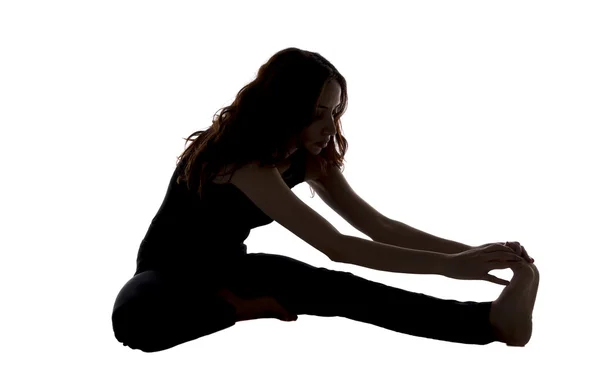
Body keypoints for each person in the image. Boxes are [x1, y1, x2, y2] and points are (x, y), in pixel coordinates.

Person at [111, 47, 539, 353]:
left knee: (345, 292)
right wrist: (448, 268)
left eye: (335, 112)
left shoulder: (307, 159)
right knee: (135, 322)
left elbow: (378, 227)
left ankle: (491, 322)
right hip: (170, 278)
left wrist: (477, 255)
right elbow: (338, 247)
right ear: (284, 109)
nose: (329, 126)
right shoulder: (239, 162)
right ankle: (238, 309)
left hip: (233, 267)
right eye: (317, 113)